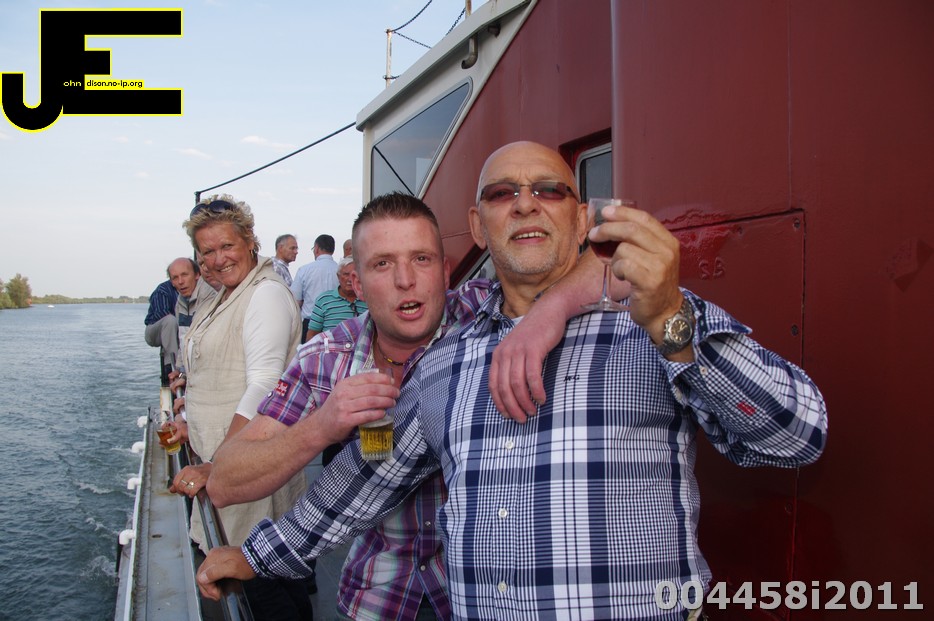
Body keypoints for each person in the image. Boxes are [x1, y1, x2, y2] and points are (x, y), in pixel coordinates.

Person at [198, 142, 828, 620]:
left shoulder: (652, 321)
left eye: (549, 190)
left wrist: (669, 320)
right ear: (478, 228)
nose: (526, 202)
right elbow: (363, 483)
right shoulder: (444, 362)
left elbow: (797, 435)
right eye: (503, 194)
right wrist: (255, 556)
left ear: (580, 220)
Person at [206, 193, 494, 620]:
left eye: (422, 259)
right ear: (356, 283)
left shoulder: (486, 318)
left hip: (480, 592)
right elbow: (224, 482)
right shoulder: (326, 358)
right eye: (382, 264)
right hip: (380, 592)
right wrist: (321, 427)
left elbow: (572, 274)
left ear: (446, 272)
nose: (405, 280)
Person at [173, 194, 310, 620]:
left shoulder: (264, 295)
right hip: (226, 462)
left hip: (246, 465)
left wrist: (218, 464)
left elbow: (264, 385)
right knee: (267, 576)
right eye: (207, 251)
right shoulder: (226, 295)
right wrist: (190, 416)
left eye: (227, 246)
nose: (218, 259)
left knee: (258, 582)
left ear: (250, 240)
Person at [305, 256, 366, 342]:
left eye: (354, 275)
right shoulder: (324, 300)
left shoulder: (368, 299)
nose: (350, 279)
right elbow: (312, 334)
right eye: (346, 274)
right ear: (338, 276)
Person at [291, 234, 339, 343]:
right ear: (333, 250)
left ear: (316, 249)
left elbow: (296, 301)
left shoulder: (304, 270)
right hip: (335, 324)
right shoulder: (340, 271)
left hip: (310, 325)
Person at [143, 270, 179, 373]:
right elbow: (161, 314)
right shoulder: (163, 289)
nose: (181, 280)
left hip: (177, 331)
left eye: (185, 275)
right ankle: (172, 366)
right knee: (170, 320)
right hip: (155, 331)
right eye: (176, 277)